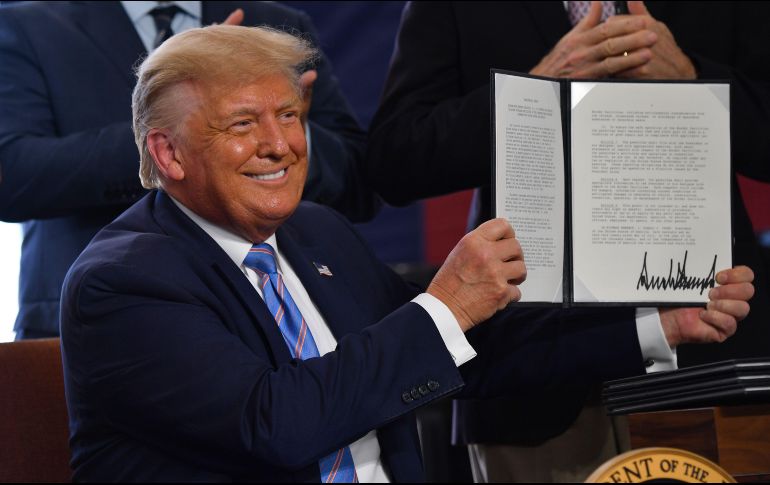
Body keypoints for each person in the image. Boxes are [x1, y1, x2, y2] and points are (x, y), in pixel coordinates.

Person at [59, 24, 754, 481]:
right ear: (167, 152)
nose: (282, 145)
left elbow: (462, 357)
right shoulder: (123, 281)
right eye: (244, 124)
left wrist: (657, 325)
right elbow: (276, 424)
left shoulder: (318, 234)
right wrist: (444, 304)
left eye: (291, 117)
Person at [366, 1, 770, 481]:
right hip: (533, 369)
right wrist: (532, 88)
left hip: (711, 344)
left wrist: (693, 76)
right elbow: (395, 160)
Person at [0, 1, 377, 340]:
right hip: (91, 325)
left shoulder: (274, 23)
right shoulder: (29, 26)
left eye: (286, 114)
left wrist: (275, 122)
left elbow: (361, 183)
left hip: (280, 317)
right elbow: (11, 177)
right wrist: (181, 122)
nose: (275, 141)